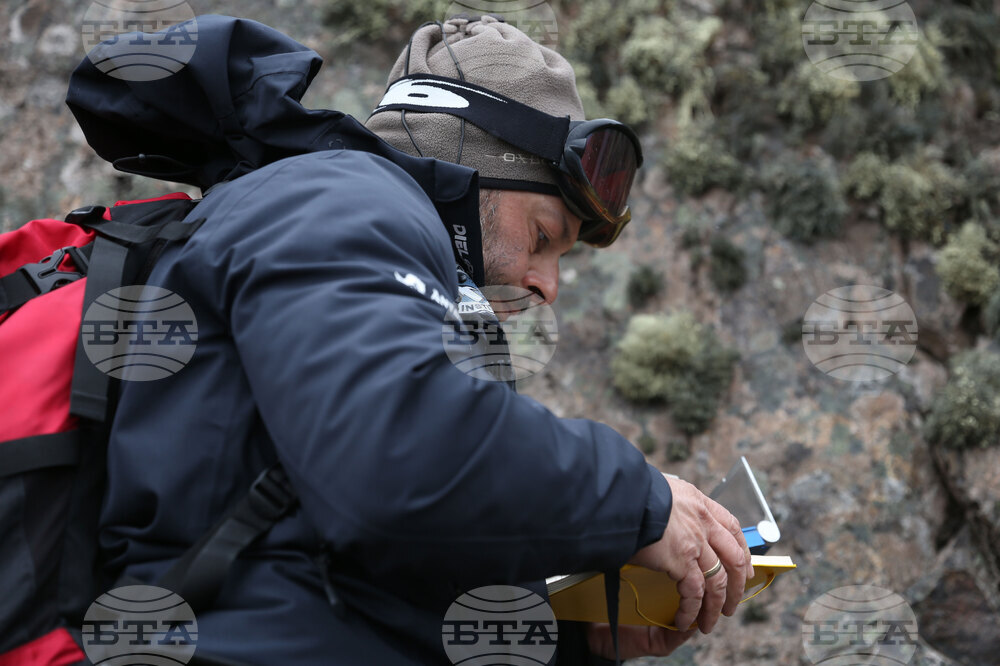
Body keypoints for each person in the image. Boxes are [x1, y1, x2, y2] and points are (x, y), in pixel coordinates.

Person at [74, 13, 752, 665]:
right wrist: (640, 501)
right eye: (543, 236)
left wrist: (571, 637)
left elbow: (359, 555)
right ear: (475, 171)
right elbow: (394, 460)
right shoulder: (344, 198)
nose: (548, 285)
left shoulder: (363, 238)